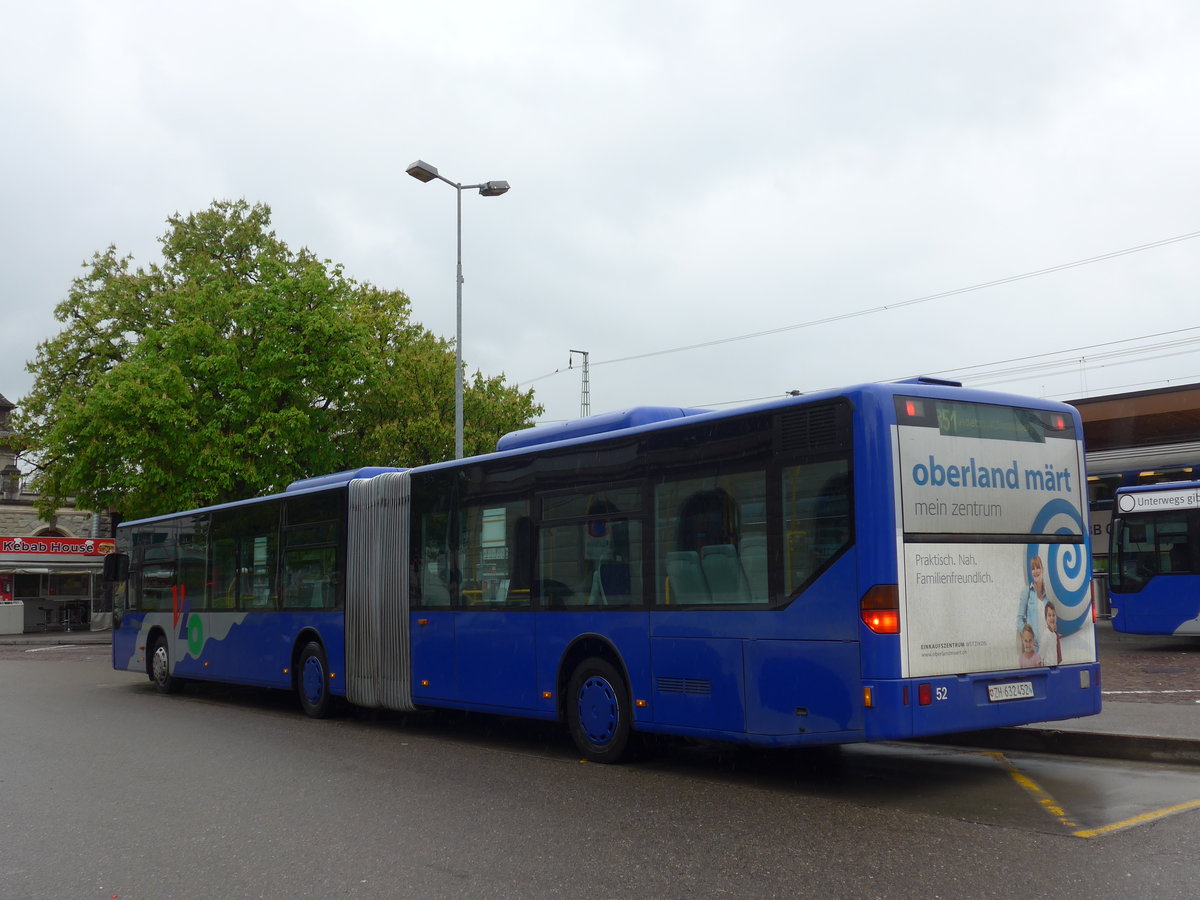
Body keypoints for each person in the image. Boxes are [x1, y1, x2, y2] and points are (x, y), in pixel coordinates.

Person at [1016, 555, 1047, 654]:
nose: (1035, 571)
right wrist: (1028, 639)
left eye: (1038, 567)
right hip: (1034, 650)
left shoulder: (1047, 593)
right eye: (1033, 568)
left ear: (1043, 569)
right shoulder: (1027, 591)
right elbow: (1019, 619)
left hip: (1047, 648)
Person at [1043, 600, 1063, 665]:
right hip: (1047, 666)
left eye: (1053, 615)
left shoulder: (1055, 635)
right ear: (1045, 618)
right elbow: (1042, 654)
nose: (1052, 618)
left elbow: (1058, 654)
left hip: (1055, 665)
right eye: (1049, 615)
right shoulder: (1045, 635)